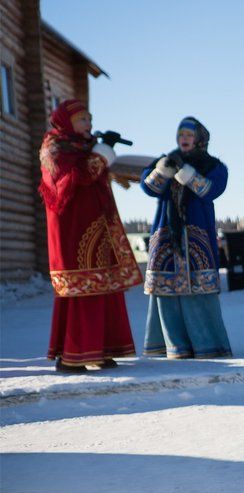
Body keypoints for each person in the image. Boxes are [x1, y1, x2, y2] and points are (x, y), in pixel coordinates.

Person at [39, 99, 142, 373]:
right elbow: (73, 178)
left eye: (90, 119)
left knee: (103, 282)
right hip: (72, 230)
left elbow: (96, 172)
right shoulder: (55, 147)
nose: (89, 124)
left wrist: (101, 152)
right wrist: (100, 154)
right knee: (82, 286)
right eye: (82, 119)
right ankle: (74, 354)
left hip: (97, 225)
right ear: (66, 122)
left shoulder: (84, 147)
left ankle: (101, 349)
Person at [141, 117, 232, 359]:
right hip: (166, 235)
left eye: (189, 135)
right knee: (165, 288)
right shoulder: (165, 161)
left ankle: (207, 345)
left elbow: (210, 190)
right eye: (181, 134)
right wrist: (164, 170)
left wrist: (185, 173)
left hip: (197, 235)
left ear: (200, 139)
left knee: (200, 290)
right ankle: (173, 346)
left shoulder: (213, 165)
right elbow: (149, 187)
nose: (184, 139)